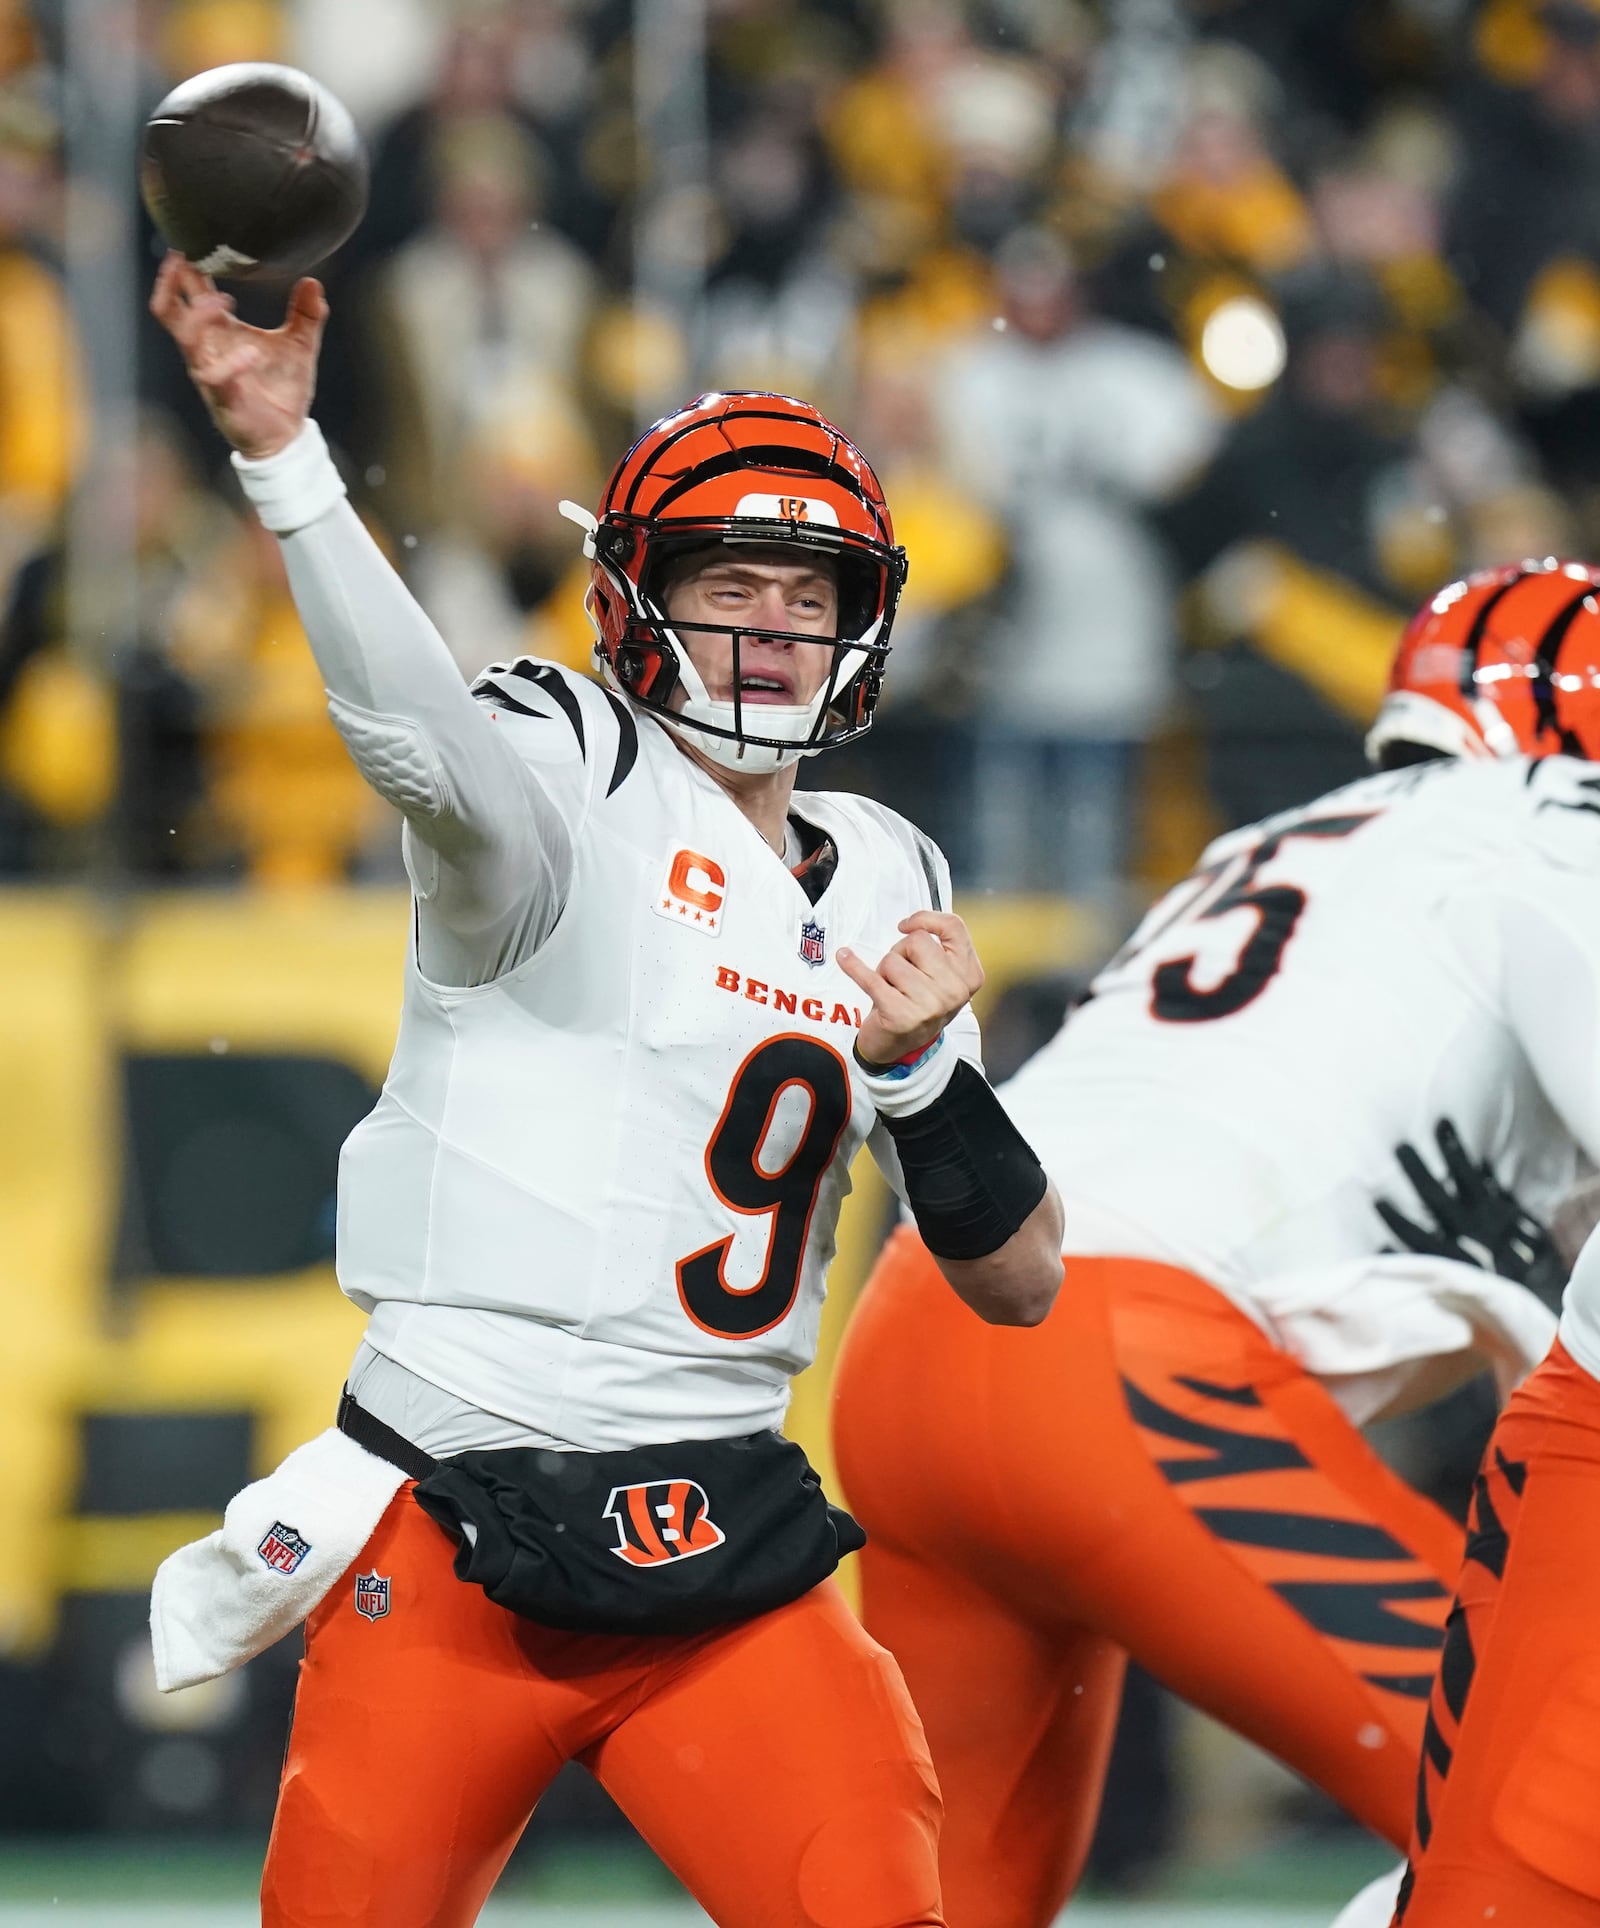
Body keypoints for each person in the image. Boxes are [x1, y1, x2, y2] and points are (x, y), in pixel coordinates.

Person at [145, 252, 1064, 1928]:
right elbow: (418, 744)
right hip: (448, 1517)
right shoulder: (568, 763)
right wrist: (291, 470)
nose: (772, 629)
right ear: (634, 595)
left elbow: (1023, 1283)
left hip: (731, 1541)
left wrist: (924, 1076)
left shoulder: (889, 865)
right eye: (730, 582)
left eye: (807, 595)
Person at [831, 556, 1600, 1928]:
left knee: (927, 1915)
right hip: (1125, 1379)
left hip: (921, 1342)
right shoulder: (1553, 832)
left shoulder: (1279, 842)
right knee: (1532, 1841)